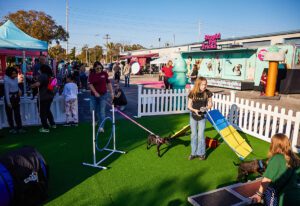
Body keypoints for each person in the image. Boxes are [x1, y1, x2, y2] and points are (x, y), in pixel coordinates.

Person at [250, 133, 300, 206]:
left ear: (274, 145)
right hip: (295, 196)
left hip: (280, 197)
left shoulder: (276, 158)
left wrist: (259, 194)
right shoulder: (295, 159)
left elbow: (266, 180)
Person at [187, 77, 213, 160]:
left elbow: (210, 104)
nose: (204, 86)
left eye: (205, 84)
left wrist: (206, 108)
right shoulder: (192, 93)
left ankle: (201, 153)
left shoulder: (208, 93)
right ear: (198, 84)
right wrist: (195, 110)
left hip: (202, 116)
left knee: (201, 135)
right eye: (203, 84)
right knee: (193, 135)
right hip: (193, 115)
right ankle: (193, 153)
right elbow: (189, 106)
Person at [88, 61, 114, 131]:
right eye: (97, 68)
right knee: (92, 110)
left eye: (100, 68)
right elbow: (90, 85)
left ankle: (101, 127)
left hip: (103, 95)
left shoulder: (104, 74)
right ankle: (96, 120)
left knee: (101, 111)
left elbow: (108, 83)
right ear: (94, 68)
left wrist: (112, 93)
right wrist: (95, 92)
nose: (99, 70)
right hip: (93, 96)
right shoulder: (92, 75)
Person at [31, 64, 56, 133]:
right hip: (50, 96)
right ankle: (52, 124)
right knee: (47, 110)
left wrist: (32, 85)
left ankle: (45, 127)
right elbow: (52, 86)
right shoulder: (51, 76)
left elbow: (37, 84)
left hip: (43, 96)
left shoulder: (42, 75)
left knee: (42, 112)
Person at [4, 66, 26, 134]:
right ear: (9, 73)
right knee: (10, 114)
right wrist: (8, 102)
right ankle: (12, 128)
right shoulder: (6, 80)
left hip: (16, 97)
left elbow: (16, 86)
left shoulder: (16, 78)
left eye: (15, 73)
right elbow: (6, 92)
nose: (15, 75)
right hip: (10, 98)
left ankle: (20, 128)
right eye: (13, 73)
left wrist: (19, 90)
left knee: (17, 114)